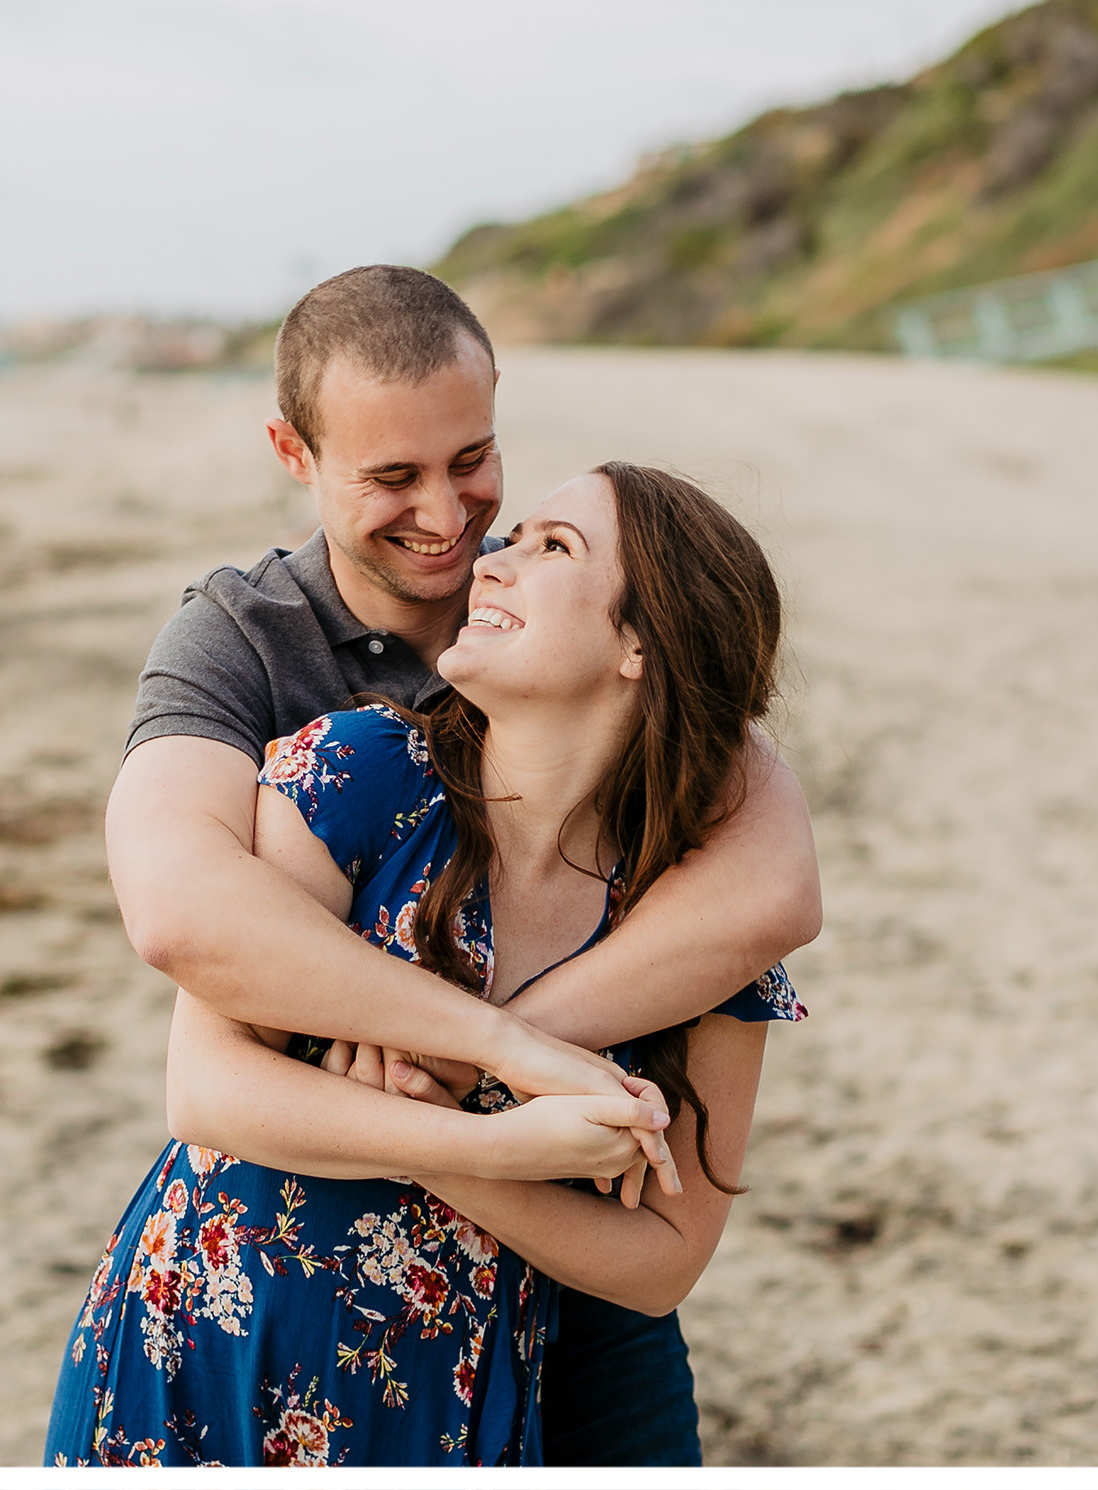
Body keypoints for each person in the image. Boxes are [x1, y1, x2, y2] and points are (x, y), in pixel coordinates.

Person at [94, 265, 822, 1463]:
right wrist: (504, 1066)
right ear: (294, 451)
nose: (456, 523)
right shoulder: (256, 656)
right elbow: (180, 914)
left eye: (472, 460)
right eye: (392, 477)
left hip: (565, 1276)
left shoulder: (615, 674)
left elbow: (773, 892)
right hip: (288, 1251)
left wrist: (460, 1067)